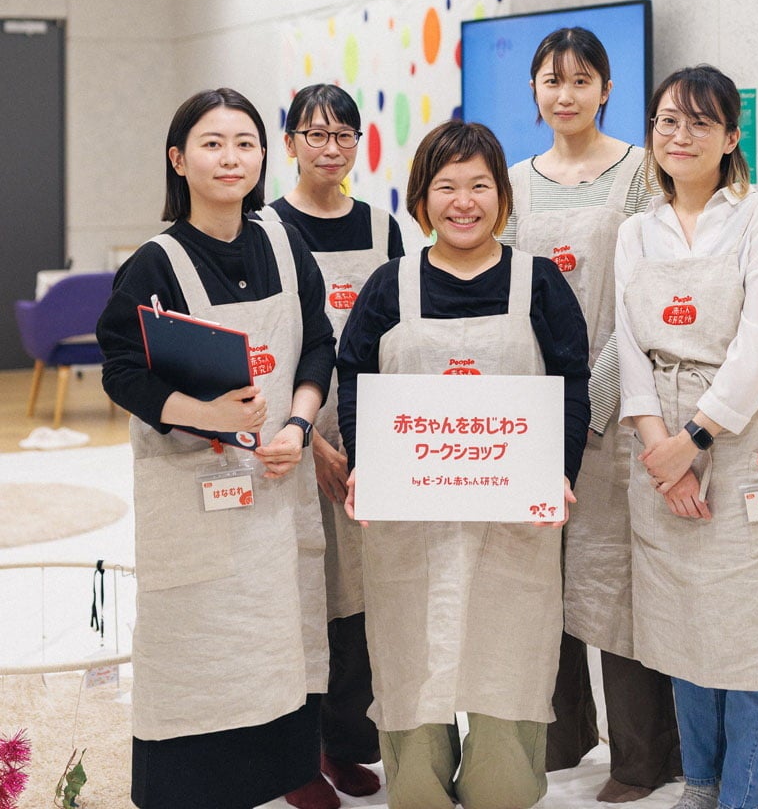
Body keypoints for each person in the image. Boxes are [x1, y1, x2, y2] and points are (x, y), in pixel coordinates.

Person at [337, 120, 591, 809]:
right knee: (411, 656)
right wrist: (367, 462)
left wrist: (559, 472)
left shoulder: (539, 283)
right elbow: (354, 376)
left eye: (479, 185)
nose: (464, 202)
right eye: (446, 186)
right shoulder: (390, 285)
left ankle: (500, 786)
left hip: (512, 520)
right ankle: (418, 788)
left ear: (502, 195)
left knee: (507, 656)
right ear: (422, 198)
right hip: (410, 520)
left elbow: (571, 380)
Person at [97, 87, 336, 809]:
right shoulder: (155, 263)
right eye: (211, 143)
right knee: (198, 647)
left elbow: (318, 345)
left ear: (263, 156)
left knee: (278, 636)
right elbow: (122, 371)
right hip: (195, 495)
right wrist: (207, 415)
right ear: (178, 159)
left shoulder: (284, 245)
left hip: (277, 487)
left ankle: (290, 773)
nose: (230, 158)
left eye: (244, 143)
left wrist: (297, 427)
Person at [615, 65, 758, 809]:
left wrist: (692, 440)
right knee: (685, 634)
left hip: (746, 446)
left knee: (756, 644)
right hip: (662, 447)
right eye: (668, 121)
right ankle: (698, 786)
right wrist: (661, 453)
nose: (681, 136)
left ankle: (740, 798)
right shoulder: (637, 231)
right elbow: (629, 349)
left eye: (701, 122)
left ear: (731, 137)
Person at [502, 27, 682, 802]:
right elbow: (501, 296)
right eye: (553, 80)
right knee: (537, 577)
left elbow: (647, 300)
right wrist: (533, 407)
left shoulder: (642, 172)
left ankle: (643, 759)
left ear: (607, 90)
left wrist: (590, 403)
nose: (566, 94)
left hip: (617, 410)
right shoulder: (513, 181)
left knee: (614, 581)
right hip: (532, 412)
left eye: (582, 80)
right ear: (534, 91)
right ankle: (561, 736)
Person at [257, 83, 404, 809]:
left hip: (370, 433)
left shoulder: (383, 227)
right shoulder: (265, 230)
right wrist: (308, 438)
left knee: (361, 599)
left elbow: (401, 332)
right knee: (301, 596)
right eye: (314, 134)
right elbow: (266, 344)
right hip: (290, 436)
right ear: (289, 143)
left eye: (344, 134)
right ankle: (295, 759)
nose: (330, 148)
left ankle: (345, 745)